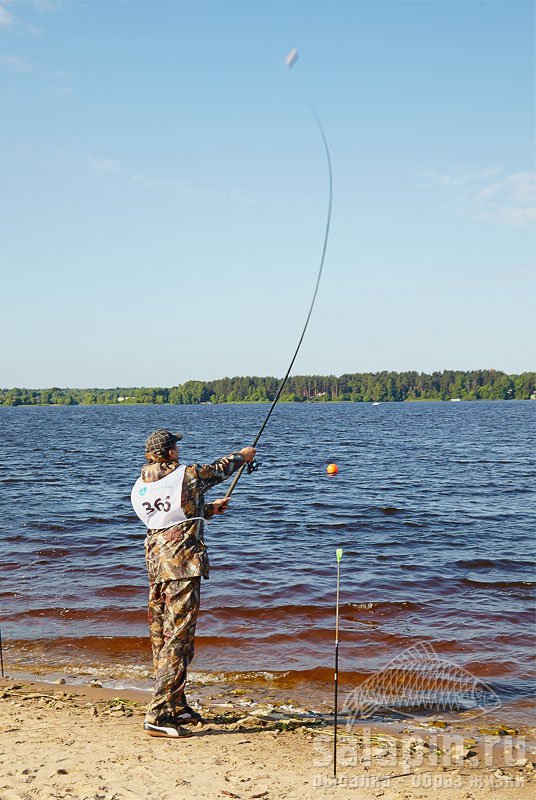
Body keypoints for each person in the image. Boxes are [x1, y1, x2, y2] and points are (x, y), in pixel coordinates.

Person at [131, 428, 256, 739]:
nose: (178, 451)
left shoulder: (141, 484)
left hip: (156, 564)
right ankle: (158, 714)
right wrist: (243, 456)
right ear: (170, 452)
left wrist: (209, 510)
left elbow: (171, 515)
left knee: (162, 636)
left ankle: (176, 704)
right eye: (175, 447)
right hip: (182, 567)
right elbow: (216, 471)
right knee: (178, 638)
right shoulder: (185, 474)